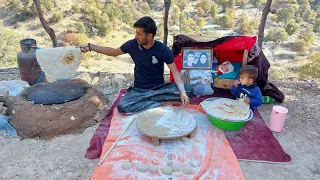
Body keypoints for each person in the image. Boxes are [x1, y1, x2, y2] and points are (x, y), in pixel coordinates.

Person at [80, 17, 193, 114]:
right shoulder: (132, 45)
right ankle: (161, 103)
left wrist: (183, 92)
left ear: (149, 36)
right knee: (122, 106)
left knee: (189, 91)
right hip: (140, 90)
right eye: (136, 33)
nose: (136, 36)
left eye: (139, 34)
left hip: (159, 88)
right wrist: (90, 47)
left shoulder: (162, 49)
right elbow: (113, 52)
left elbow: (175, 72)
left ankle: (148, 101)